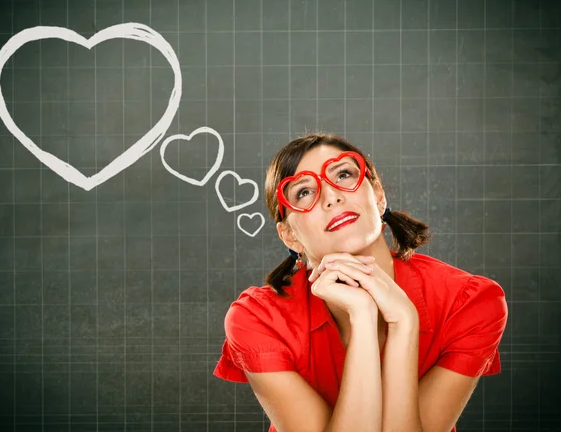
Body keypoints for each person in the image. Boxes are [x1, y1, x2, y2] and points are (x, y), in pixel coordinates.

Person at [213, 134, 508, 432]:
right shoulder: (257, 319)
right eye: (303, 192)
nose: (331, 197)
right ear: (290, 235)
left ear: (378, 196)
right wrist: (363, 318)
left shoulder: (470, 302)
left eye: (343, 174)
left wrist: (404, 322)